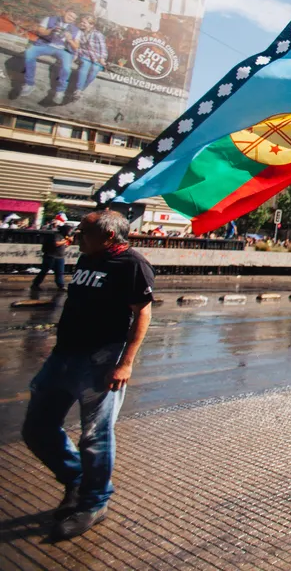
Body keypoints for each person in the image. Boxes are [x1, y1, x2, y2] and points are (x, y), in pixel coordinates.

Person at [21, 210, 154, 540]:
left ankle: (94, 503)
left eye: (84, 232)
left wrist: (126, 362)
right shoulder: (87, 258)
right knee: (36, 428)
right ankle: (77, 479)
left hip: (102, 359)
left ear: (109, 236)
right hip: (64, 355)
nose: (77, 236)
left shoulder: (133, 264)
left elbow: (143, 314)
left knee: (95, 435)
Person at [21, 9, 80, 105]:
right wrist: (51, 30)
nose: (70, 18)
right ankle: (29, 83)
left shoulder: (76, 30)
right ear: (64, 12)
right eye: (69, 15)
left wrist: (69, 39)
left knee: (66, 68)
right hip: (46, 45)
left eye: (73, 18)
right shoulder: (50, 19)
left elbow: (76, 46)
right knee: (29, 53)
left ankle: (60, 91)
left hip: (63, 50)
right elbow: (40, 32)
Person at [71, 15, 107, 98]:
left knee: (94, 70)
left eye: (84, 23)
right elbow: (78, 46)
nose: (82, 24)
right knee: (84, 67)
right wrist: (75, 56)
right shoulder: (79, 33)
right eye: (82, 22)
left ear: (91, 25)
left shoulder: (97, 34)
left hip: (96, 58)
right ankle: (78, 89)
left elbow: (103, 48)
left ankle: (81, 90)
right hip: (85, 55)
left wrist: (102, 58)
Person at [32, 223, 72, 291]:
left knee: (59, 272)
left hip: (60, 257)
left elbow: (65, 245)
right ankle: (35, 284)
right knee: (44, 271)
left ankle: (61, 286)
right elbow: (56, 243)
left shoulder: (64, 237)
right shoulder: (57, 235)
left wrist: (69, 241)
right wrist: (67, 240)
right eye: (69, 230)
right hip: (51, 256)